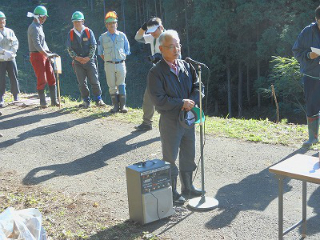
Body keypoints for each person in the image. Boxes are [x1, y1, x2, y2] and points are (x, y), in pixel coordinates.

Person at [147, 30, 203, 204]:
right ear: (162, 49)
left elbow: (198, 87)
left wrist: (191, 102)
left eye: (178, 44)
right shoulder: (156, 72)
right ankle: (172, 192)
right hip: (170, 121)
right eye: (172, 46)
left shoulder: (187, 66)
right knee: (170, 157)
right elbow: (158, 100)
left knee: (189, 153)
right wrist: (181, 103)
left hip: (188, 118)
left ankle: (188, 187)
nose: (176, 49)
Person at [293, 5, 320, 147]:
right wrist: (309, 55)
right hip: (311, 75)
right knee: (312, 106)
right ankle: (313, 138)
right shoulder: (307, 31)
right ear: (316, 19)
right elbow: (296, 51)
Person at [66, 11, 105, 108]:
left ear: (83, 21)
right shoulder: (70, 33)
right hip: (78, 62)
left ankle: (98, 99)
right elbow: (69, 48)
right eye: (75, 22)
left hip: (90, 61)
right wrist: (76, 58)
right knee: (81, 83)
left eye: (79, 21)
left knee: (94, 80)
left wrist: (88, 57)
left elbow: (93, 45)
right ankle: (86, 101)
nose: (77, 24)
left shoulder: (88, 31)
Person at [134, 17, 164, 131]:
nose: (152, 34)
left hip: (168, 74)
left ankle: (171, 125)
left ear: (161, 28)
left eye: (154, 31)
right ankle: (147, 123)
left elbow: (177, 56)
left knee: (168, 100)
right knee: (148, 97)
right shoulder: (152, 37)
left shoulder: (168, 37)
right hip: (156, 72)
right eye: (150, 31)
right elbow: (138, 38)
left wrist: (160, 58)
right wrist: (144, 27)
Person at [98, 11, 130, 113]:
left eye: (113, 23)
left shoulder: (122, 36)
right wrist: (108, 60)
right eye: (109, 24)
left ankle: (123, 106)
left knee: (121, 84)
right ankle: (115, 106)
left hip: (121, 64)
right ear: (106, 25)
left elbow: (127, 50)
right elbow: (100, 52)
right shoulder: (102, 37)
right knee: (111, 85)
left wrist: (121, 58)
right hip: (109, 65)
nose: (112, 25)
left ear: (116, 24)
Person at [27, 6, 59, 108]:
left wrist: (50, 54)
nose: (45, 19)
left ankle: (54, 101)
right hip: (37, 55)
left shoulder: (40, 26)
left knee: (51, 76)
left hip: (44, 55)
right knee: (42, 79)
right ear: (39, 16)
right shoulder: (33, 27)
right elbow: (37, 45)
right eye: (44, 17)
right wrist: (47, 54)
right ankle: (43, 102)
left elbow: (43, 43)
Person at [0, 11, 19, 108]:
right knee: (1, 79)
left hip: (11, 58)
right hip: (1, 59)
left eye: (3, 19)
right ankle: (0, 97)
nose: (1, 21)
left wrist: (12, 52)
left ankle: (16, 96)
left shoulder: (10, 31)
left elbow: (15, 42)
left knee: (14, 76)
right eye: (0, 20)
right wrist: (3, 52)